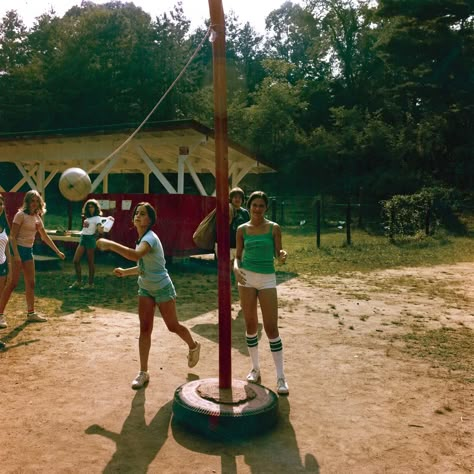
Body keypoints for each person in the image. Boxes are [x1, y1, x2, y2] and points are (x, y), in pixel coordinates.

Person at [97, 202, 200, 389]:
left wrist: (110, 244)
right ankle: (143, 372)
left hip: (162, 289)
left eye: (143, 214)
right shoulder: (141, 238)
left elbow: (136, 255)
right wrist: (125, 272)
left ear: (150, 220)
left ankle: (193, 345)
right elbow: (143, 266)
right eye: (136, 213)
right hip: (145, 289)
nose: (138, 215)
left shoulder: (150, 238)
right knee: (145, 330)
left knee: (173, 326)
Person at [233, 190, 289, 395]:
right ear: (249, 206)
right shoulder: (241, 229)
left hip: (266, 279)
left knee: (271, 327)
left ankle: (281, 377)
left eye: (261, 206)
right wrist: (236, 268)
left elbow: (278, 254)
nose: (257, 209)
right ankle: (255, 369)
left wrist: (283, 256)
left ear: (266, 208)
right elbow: (237, 256)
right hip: (246, 279)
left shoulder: (274, 228)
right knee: (250, 324)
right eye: (254, 205)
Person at [0, 190, 65, 327]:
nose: (34, 203)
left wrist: (57, 252)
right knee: (13, 283)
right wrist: (16, 255)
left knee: (31, 283)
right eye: (32, 201)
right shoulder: (20, 215)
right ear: (27, 202)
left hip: (28, 251)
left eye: (37, 201)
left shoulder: (37, 217)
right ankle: (0, 315)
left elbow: (44, 236)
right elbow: (12, 236)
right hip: (17, 250)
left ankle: (31, 313)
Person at [68, 199, 106, 290]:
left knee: (90, 262)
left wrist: (101, 228)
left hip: (90, 239)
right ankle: (78, 281)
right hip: (83, 238)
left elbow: (100, 229)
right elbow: (85, 229)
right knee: (76, 260)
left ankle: (90, 283)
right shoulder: (87, 218)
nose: (90, 209)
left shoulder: (97, 218)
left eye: (92, 207)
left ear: (96, 208)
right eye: (88, 207)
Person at [0, 194, 12, 330]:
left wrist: (9, 266)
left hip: (2, 264)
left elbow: (7, 246)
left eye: (1, 204)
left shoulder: (4, 223)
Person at [229, 187, 250, 260]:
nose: (237, 199)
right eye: (235, 197)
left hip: (241, 244)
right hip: (229, 244)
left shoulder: (245, 212)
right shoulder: (227, 210)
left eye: (239, 198)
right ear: (231, 199)